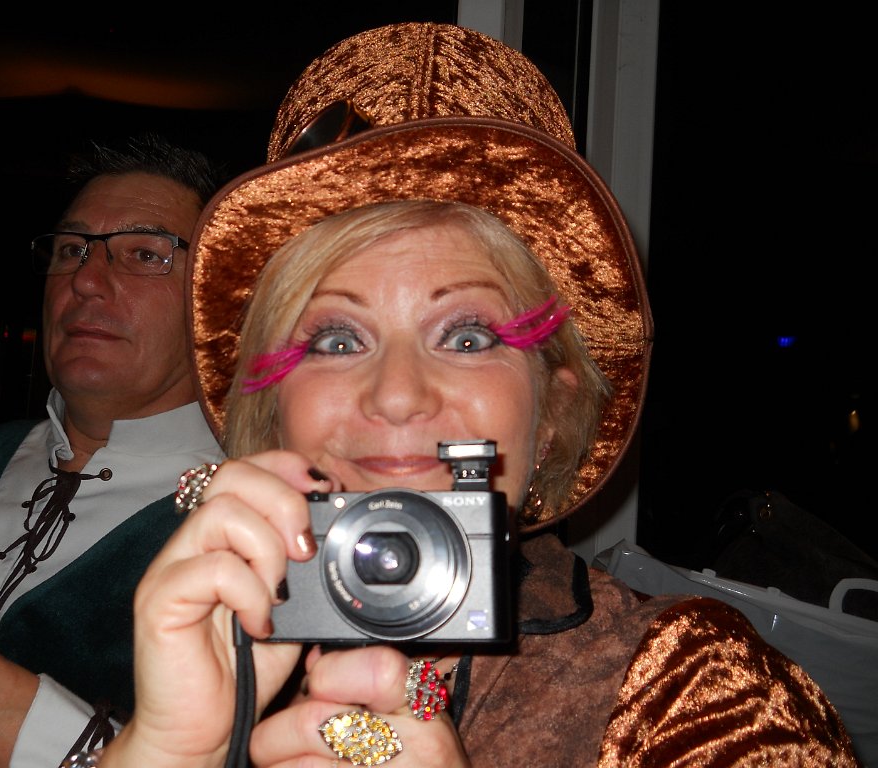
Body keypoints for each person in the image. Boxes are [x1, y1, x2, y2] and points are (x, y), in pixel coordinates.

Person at [88, 23, 861, 768]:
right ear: (275, 412)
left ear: (552, 413)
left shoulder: (701, 697)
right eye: (336, 340)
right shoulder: (204, 653)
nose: (396, 396)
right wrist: (160, 754)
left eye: (466, 337)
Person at [0, 133, 226, 768]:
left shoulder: (263, 527)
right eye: (72, 250)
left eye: (145, 254)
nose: (86, 280)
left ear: (220, 299)